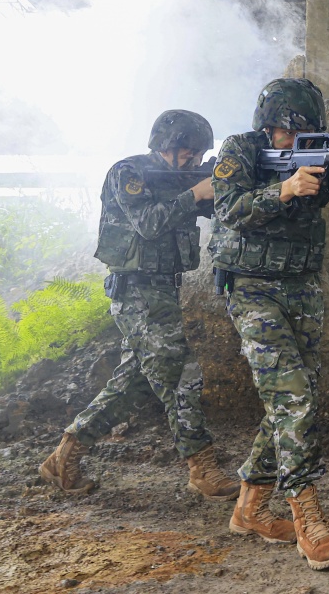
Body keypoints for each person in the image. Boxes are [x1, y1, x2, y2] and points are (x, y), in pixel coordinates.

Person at [210, 77, 329, 571]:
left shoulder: (321, 153)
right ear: (269, 125)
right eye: (289, 132)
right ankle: (306, 511)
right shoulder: (240, 150)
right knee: (293, 397)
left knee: (293, 394)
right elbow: (227, 209)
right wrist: (282, 191)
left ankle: (249, 507)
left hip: (302, 288)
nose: (296, 141)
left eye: (306, 131)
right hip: (250, 286)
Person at [40, 109, 239, 502]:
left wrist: (229, 183)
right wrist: (195, 193)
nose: (195, 161)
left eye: (200, 155)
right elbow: (147, 222)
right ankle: (203, 468)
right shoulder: (128, 173)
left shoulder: (182, 178)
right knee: (182, 374)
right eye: (189, 153)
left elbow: (219, 207)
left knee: (134, 383)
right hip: (136, 291)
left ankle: (64, 456)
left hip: (161, 291)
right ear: (167, 146)